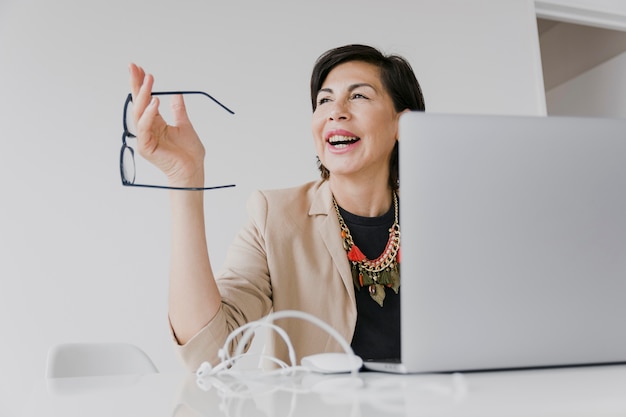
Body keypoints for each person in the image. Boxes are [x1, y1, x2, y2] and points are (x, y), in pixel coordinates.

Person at [128, 44, 425, 370]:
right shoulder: (275, 216)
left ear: (402, 125)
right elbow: (207, 355)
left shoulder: (441, 218)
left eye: (359, 96)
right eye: (324, 100)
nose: (335, 111)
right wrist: (185, 179)